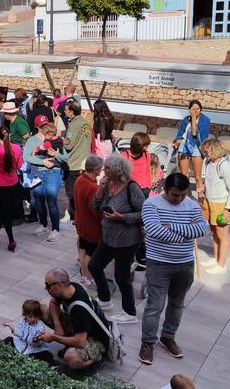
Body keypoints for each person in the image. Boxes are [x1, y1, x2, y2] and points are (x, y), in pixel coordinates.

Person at [138, 173, 209, 365]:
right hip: (158, 264)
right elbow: (154, 230)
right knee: (155, 306)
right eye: (174, 195)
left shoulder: (192, 205)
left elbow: (202, 229)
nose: (178, 199)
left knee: (177, 304)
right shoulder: (151, 204)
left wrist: (170, 226)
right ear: (166, 190)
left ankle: (168, 337)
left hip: (185, 264)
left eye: (182, 195)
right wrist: (186, 232)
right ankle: (147, 343)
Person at [89, 154, 144, 324]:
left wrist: (122, 217)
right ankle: (104, 300)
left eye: (107, 168)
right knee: (94, 265)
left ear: (118, 170)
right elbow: (95, 206)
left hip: (126, 240)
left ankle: (130, 313)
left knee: (122, 277)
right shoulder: (109, 184)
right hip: (108, 237)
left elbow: (144, 213)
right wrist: (100, 188)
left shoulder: (131, 187)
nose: (103, 171)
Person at [40, 268, 110, 370]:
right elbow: (53, 303)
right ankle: (69, 343)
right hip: (80, 329)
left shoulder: (79, 308)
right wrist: (57, 324)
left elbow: (80, 342)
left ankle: (97, 357)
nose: (46, 289)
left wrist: (54, 337)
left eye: (48, 285)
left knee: (70, 358)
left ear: (59, 285)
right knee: (41, 310)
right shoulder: (69, 288)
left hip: (95, 339)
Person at [199, 138, 230, 275]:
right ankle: (215, 259)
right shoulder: (208, 162)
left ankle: (222, 265)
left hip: (221, 204)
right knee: (214, 233)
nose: (205, 153)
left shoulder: (224, 165)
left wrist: (228, 209)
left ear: (214, 150)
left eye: (207, 151)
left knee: (223, 235)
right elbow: (208, 180)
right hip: (209, 201)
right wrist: (203, 189)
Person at [26, 120, 68, 241]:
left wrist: (56, 155)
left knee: (51, 201)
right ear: (38, 128)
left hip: (53, 172)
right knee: (38, 201)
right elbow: (26, 157)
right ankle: (43, 225)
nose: (47, 134)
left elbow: (65, 158)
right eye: (42, 127)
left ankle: (56, 230)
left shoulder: (56, 140)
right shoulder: (32, 140)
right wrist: (42, 161)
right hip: (38, 173)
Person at [74, 155, 103, 289]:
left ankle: (84, 276)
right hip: (91, 225)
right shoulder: (92, 187)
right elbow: (95, 210)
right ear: (96, 169)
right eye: (101, 168)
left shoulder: (79, 179)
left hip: (81, 220)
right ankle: (87, 278)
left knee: (83, 249)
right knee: (90, 254)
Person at [172, 100, 210, 194]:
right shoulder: (186, 119)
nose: (196, 111)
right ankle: (183, 195)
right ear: (189, 109)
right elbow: (181, 133)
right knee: (184, 175)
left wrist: (193, 119)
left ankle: (200, 197)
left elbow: (194, 133)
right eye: (193, 109)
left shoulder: (205, 120)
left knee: (197, 176)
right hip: (184, 147)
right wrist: (178, 140)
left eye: (198, 109)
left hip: (197, 147)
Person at [63, 101, 92, 224]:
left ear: (71, 111)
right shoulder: (85, 123)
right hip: (84, 161)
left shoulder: (74, 124)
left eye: (66, 109)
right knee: (82, 192)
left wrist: (61, 139)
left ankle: (76, 217)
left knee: (73, 193)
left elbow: (69, 145)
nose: (64, 111)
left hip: (73, 163)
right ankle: (83, 215)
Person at [2, 299, 55, 365]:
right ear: (25, 315)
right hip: (21, 344)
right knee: (9, 339)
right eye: (30, 317)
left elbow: (38, 343)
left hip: (33, 348)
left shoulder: (40, 327)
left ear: (38, 315)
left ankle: (51, 365)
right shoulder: (23, 322)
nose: (33, 319)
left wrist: (37, 340)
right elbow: (19, 333)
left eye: (35, 316)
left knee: (47, 354)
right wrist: (12, 327)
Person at [121, 132, 152, 199]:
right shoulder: (124, 155)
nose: (146, 148)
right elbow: (121, 173)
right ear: (138, 145)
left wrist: (149, 186)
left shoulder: (147, 155)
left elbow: (148, 170)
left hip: (144, 189)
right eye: (145, 146)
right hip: (129, 188)